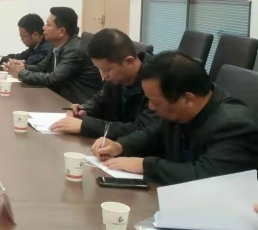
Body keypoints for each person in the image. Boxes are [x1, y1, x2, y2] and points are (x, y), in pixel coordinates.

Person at [92, 51, 258, 185]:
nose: (151, 107)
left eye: (156, 102)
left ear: (188, 99)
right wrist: (120, 146)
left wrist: (146, 165)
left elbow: (205, 176)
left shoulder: (235, 126)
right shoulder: (180, 109)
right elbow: (153, 134)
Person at [50, 28, 160, 139]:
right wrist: (85, 110)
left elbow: (142, 129)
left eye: (107, 70)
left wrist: (85, 126)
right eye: (99, 69)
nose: (104, 75)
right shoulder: (116, 76)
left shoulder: (156, 81)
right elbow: (101, 99)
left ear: (129, 61)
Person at [6, 7, 102, 104]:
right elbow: (41, 68)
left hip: (79, 105)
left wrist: (21, 73)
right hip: (61, 99)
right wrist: (22, 66)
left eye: (48, 25)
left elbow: (53, 79)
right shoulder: (54, 46)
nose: (43, 28)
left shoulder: (74, 50)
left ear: (61, 31)